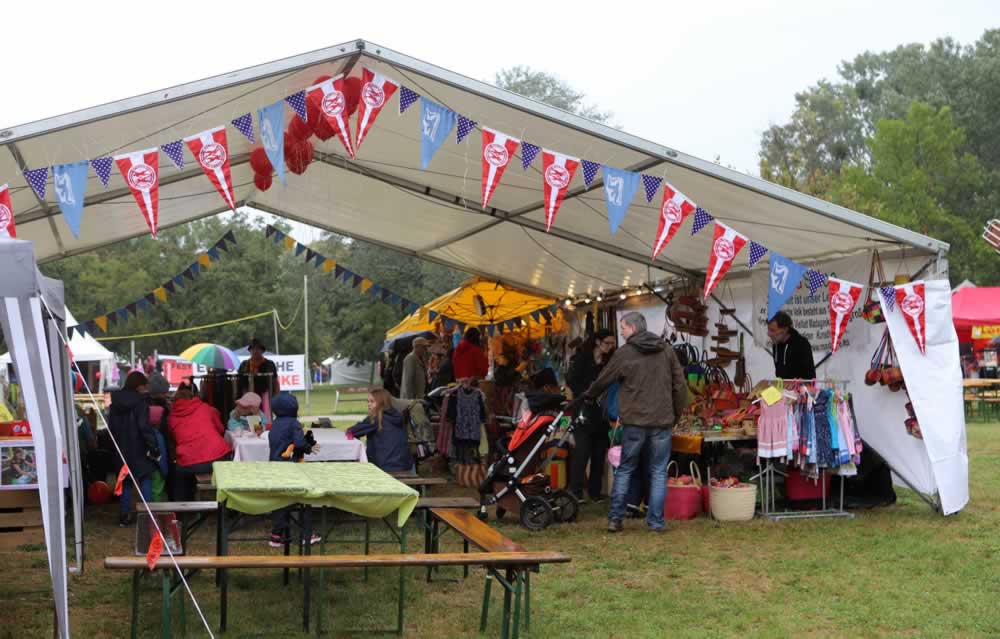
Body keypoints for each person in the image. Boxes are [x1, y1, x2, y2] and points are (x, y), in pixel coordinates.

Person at [583, 312, 687, 533]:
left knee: (625, 469)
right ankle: (656, 523)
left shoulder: (625, 353)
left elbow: (605, 379)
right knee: (658, 471)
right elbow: (680, 385)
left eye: (622, 327)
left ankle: (615, 519)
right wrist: (675, 415)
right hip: (662, 420)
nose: (621, 332)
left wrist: (590, 395)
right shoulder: (666, 350)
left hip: (634, 421)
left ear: (632, 328)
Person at [566, 329, 616, 503]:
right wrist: (586, 393)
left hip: (601, 413)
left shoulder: (610, 361)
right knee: (581, 452)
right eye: (607, 343)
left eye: (612, 344)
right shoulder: (582, 358)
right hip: (583, 411)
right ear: (597, 342)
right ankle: (575, 491)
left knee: (599, 454)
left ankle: (595, 492)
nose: (610, 347)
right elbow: (571, 380)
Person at [267, 392, 320, 548]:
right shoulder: (294, 423)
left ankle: (276, 536)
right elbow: (299, 442)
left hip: (276, 465)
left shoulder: (275, 423)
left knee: (280, 501)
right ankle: (308, 534)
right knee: (303, 498)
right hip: (292, 467)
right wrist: (308, 447)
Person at [108, 371, 160, 526]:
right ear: (139, 386)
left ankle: (124, 515)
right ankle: (147, 515)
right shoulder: (141, 403)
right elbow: (144, 428)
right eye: (144, 386)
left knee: (126, 482)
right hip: (139, 448)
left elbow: (111, 427)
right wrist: (153, 447)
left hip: (121, 448)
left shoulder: (115, 402)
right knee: (145, 478)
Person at [166, 385, 232, 501]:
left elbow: (174, 439)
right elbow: (221, 429)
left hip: (190, 463)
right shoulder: (205, 408)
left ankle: (183, 509)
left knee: (178, 476)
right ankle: (230, 507)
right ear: (193, 397)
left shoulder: (171, 418)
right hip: (219, 456)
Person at [347, 388, 414, 472]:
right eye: (368, 402)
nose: (369, 404)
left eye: (372, 401)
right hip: (404, 465)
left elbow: (351, 431)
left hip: (385, 467)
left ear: (381, 402)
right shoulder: (398, 416)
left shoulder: (376, 419)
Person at [237, 338, 280, 420]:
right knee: (250, 418)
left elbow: (275, 381)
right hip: (248, 396)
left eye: (257, 348)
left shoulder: (269, 364)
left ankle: (266, 430)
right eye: (253, 349)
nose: (255, 351)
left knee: (266, 418)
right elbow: (240, 382)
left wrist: (277, 396)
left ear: (262, 351)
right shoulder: (244, 364)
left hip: (265, 395)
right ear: (250, 351)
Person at [767, 311, 817, 380]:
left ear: (785, 329)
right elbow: (780, 374)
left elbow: (809, 377)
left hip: (801, 388)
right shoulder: (776, 344)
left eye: (772, 330)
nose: (769, 334)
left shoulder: (801, 344)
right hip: (783, 388)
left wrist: (797, 385)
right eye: (768, 330)